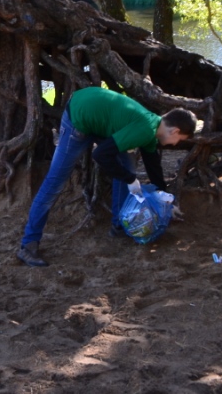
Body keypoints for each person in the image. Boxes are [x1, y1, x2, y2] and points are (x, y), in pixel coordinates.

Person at [17, 86, 197, 267]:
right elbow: (100, 155)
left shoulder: (152, 130)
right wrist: (130, 179)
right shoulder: (144, 129)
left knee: (125, 167)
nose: (176, 144)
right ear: (174, 131)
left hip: (99, 121)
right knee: (55, 182)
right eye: (179, 140)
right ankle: (28, 245)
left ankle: (118, 225)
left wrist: (167, 202)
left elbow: (154, 169)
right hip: (79, 117)